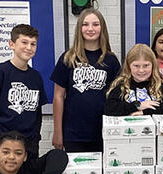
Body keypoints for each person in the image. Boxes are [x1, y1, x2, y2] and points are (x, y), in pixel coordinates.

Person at [51, 8, 120, 152]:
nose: (90, 29)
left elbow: (117, 98)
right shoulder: (68, 58)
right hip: (73, 133)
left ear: (102, 28)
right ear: (79, 28)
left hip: (103, 131)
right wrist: (57, 131)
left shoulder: (111, 60)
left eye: (95, 24)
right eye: (85, 24)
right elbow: (58, 96)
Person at [0, 24, 47, 158]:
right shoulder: (0, 72)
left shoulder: (36, 76)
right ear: (12, 44)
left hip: (29, 143)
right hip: (5, 142)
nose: (29, 47)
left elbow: (37, 112)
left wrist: (36, 136)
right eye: (24, 42)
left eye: (33, 44)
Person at [104, 44, 163, 116]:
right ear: (128, 66)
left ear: (153, 66)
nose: (141, 70)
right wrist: (137, 105)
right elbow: (109, 108)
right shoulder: (122, 85)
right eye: (136, 66)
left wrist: (145, 112)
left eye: (146, 65)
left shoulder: (158, 85)